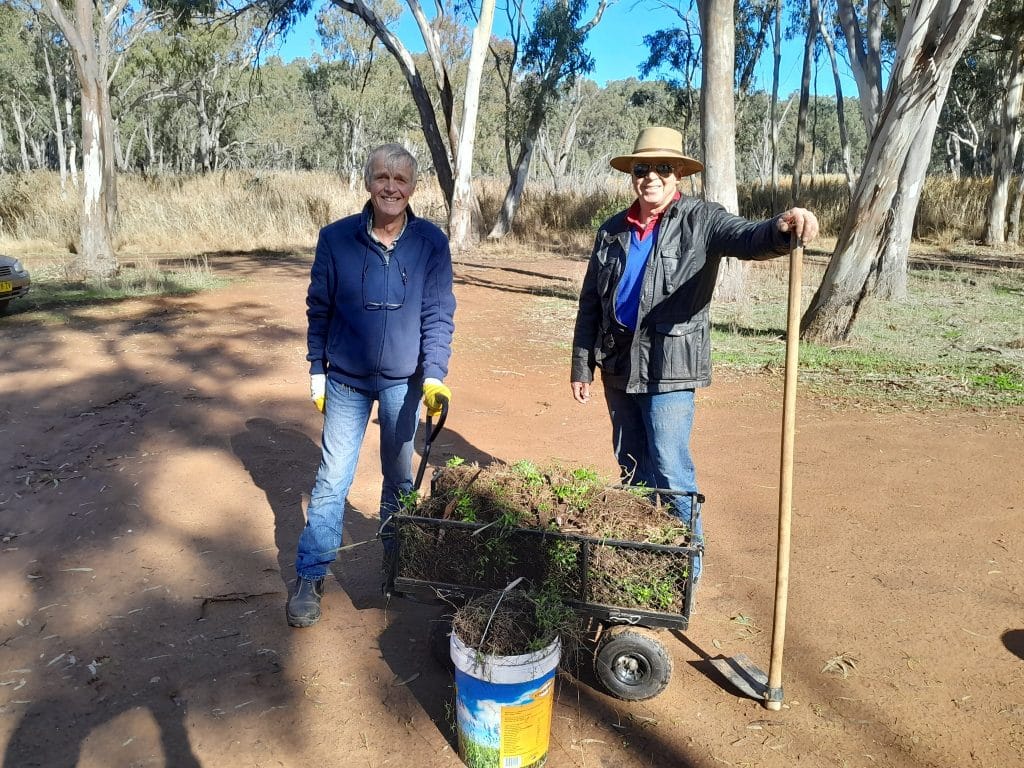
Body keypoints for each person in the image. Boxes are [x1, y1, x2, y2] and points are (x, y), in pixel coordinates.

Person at [570, 126, 819, 584]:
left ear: (679, 173)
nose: (652, 177)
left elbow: (747, 237)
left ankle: (686, 571)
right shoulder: (611, 231)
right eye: (642, 169)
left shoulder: (701, 219)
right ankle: (643, 558)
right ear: (633, 176)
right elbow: (591, 301)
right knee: (631, 465)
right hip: (618, 365)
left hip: (670, 366)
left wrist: (783, 227)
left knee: (669, 467)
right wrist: (582, 364)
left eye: (663, 168)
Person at [287, 143, 456, 628]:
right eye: (382, 176)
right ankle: (311, 574)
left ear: (414, 188)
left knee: (399, 479)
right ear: (367, 182)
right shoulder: (336, 238)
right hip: (345, 381)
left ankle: (397, 565)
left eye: (401, 179)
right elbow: (319, 307)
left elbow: (438, 314)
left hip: (405, 383)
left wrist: (435, 375)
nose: (391, 186)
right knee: (332, 478)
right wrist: (317, 367)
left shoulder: (430, 243)